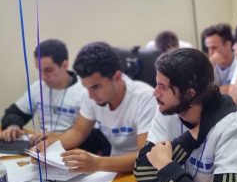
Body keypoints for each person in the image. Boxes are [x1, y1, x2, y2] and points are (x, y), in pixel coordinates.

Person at [134, 48, 237, 182]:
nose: (155, 93)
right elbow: (141, 173)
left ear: (190, 94)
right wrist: (188, 140)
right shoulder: (168, 111)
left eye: (163, 87)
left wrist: (165, 165)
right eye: (156, 84)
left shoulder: (232, 129)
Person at [36, 42, 157, 173]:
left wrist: (98, 163)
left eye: (96, 87)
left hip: (139, 172)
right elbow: (78, 132)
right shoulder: (90, 94)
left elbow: (146, 157)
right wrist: (47, 147)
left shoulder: (145, 98)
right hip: (111, 169)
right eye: (86, 87)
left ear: (117, 77)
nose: (90, 95)